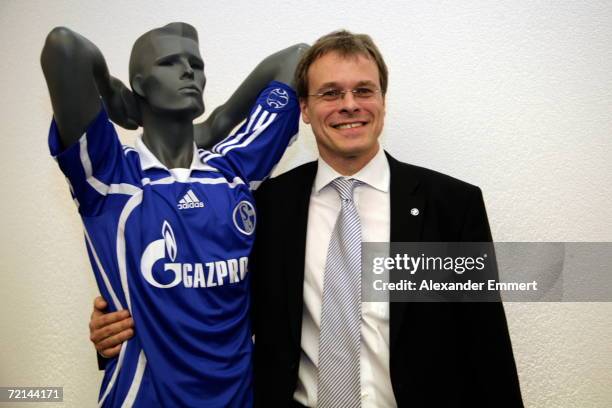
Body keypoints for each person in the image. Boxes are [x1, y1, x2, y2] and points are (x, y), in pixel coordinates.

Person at [89, 30, 524, 407]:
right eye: (330, 93)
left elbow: (486, 346)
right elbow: (218, 302)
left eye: (364, 90)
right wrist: (116, 335)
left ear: (383, 102)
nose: (349, 105)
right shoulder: (269, 205)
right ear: (303, 108)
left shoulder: (450, 206)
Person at [42, 22, 305, 407]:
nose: (189, 72)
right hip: (145, 398)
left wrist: (217, 121)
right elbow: (63, 48)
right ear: (140, 84)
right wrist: (115, 96)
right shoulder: (110, 176)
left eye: (195, 64)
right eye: (169, 62)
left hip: (239, 397)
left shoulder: (233, 170)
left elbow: (297, 57)